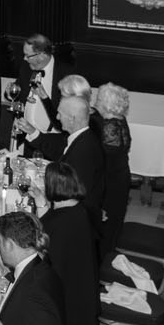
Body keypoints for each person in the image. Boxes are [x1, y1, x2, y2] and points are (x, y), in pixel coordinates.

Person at [40, 163, 103, 325]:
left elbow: (45, 265)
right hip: (82, 301)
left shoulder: (60, 225)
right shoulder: (79, 212)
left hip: (69, 310)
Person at [9, 34, 72, 160]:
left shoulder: (65, 73)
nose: (25, 59)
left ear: (42, 54)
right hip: (28, 137)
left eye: (28, 55)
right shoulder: (26, 68)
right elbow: (18, 90)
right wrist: (9, 93)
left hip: (52, 140)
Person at [93, 83, 134, 264]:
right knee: (114, 222)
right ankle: (108, 256)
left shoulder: (109, 127)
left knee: (105, 223)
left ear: (107, 105)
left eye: (99, 99)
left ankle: (101, 262)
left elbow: (102, 158)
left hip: (110, 182)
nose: (96, 102)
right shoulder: (120, 120)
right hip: (120, 178)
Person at [56, 96, 106, 235]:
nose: (57, 117)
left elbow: (76, 193)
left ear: (72, 119)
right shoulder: (85, 138)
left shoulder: (83, 149)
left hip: (78, 224)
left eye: (60, 114)